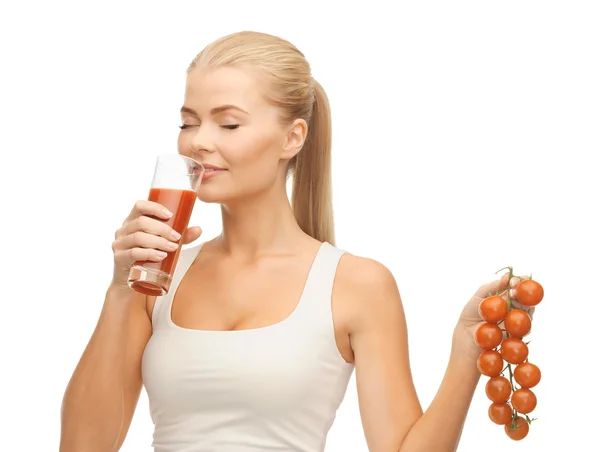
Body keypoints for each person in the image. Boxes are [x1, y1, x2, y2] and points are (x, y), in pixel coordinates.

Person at [59, 31, 530, 452]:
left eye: (228, 124)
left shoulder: (356, 284)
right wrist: (121, 288)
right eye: (188, 122)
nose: (198, 141)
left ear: (293, 137)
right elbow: (81, 447)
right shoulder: (160, 276)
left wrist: (468, 351)